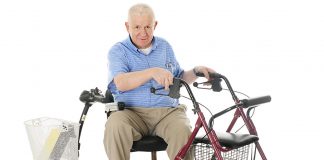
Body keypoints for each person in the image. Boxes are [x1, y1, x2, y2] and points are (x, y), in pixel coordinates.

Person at [104, 3, 215, 160]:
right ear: (127, 26)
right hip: (131, 113)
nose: (143, 33)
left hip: (167, 113)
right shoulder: (118, 51)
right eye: (137, 27)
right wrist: (151, 72)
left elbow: (179, 78)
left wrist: (196, 71)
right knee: (114, 125)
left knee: (182, 130)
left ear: (154, 25)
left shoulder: (165, 47)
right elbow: (121, 82)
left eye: (148, 27)